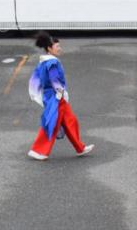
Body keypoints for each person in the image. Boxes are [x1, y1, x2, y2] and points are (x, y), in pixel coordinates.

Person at [27, 32, 94, 160]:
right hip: (56, 97)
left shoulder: (44, 61)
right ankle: (37, 150)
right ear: (49, 49)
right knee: (52, 123)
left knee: (70, 121)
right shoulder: (52, 62)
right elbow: (54, 80)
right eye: (57, 46)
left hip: (54, 96)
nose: (60, 48)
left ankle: (80, 148)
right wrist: (60, 93)